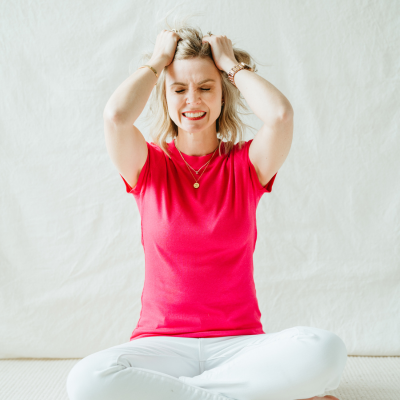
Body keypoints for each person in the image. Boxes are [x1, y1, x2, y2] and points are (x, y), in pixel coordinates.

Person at [66, 23, 347, 400]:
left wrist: (230, 64)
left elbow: (280, 116)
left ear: (222, 95)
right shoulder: (148, 165)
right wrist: (158, 60)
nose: (192, 100)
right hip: (161, 346)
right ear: (164, 96)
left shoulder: (247, 165)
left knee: (325, 349)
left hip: (240, 346)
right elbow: (116, 116)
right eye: (179, 89)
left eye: (205, 87)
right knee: (86, 379)